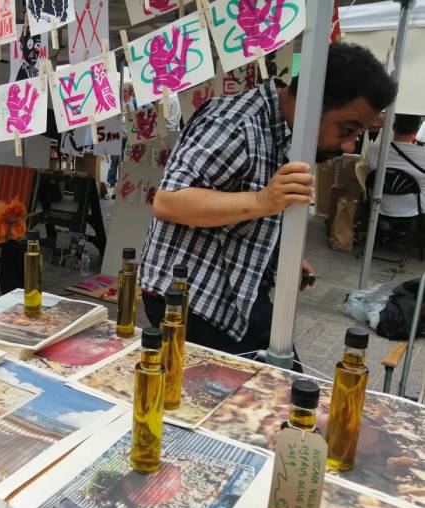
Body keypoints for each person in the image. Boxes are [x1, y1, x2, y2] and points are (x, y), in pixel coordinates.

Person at [139, 43, 397, 369]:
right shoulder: (235, 123)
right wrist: (264, 200)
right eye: (346, 130)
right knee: (267, 388)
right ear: (310, 102)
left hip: (237, 291)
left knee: (283, 379)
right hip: (191, 297)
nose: (348, 145)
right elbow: (169, 202)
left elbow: (242, 203)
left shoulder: (285, 128)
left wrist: (277, 254)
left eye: (357, 134)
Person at [366, 113, 425, 218]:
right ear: (416, 131)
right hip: (416, 212)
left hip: (378, 209)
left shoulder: (374, 150)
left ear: (394, 127)